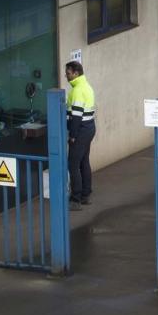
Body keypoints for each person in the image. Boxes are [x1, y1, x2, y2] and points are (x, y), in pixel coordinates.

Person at [64, 60, 96, 209]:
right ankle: (85, 194)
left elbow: (76, 116)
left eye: (68, 73)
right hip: (89, 127)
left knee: (73, 164)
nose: (66, 76)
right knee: (84, 161)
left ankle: (75, 199)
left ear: (76, 73)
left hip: (81, 130)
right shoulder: (87, 86)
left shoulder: (77, 90)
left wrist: (72, 135)